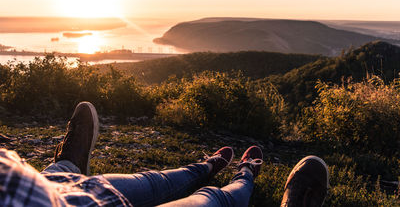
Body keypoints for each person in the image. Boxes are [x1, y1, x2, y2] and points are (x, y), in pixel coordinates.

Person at [0, 102, 329, 206]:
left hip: (62, 192)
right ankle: (245, 172)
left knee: (155, 181)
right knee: (213, 199)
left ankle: (206, 164)